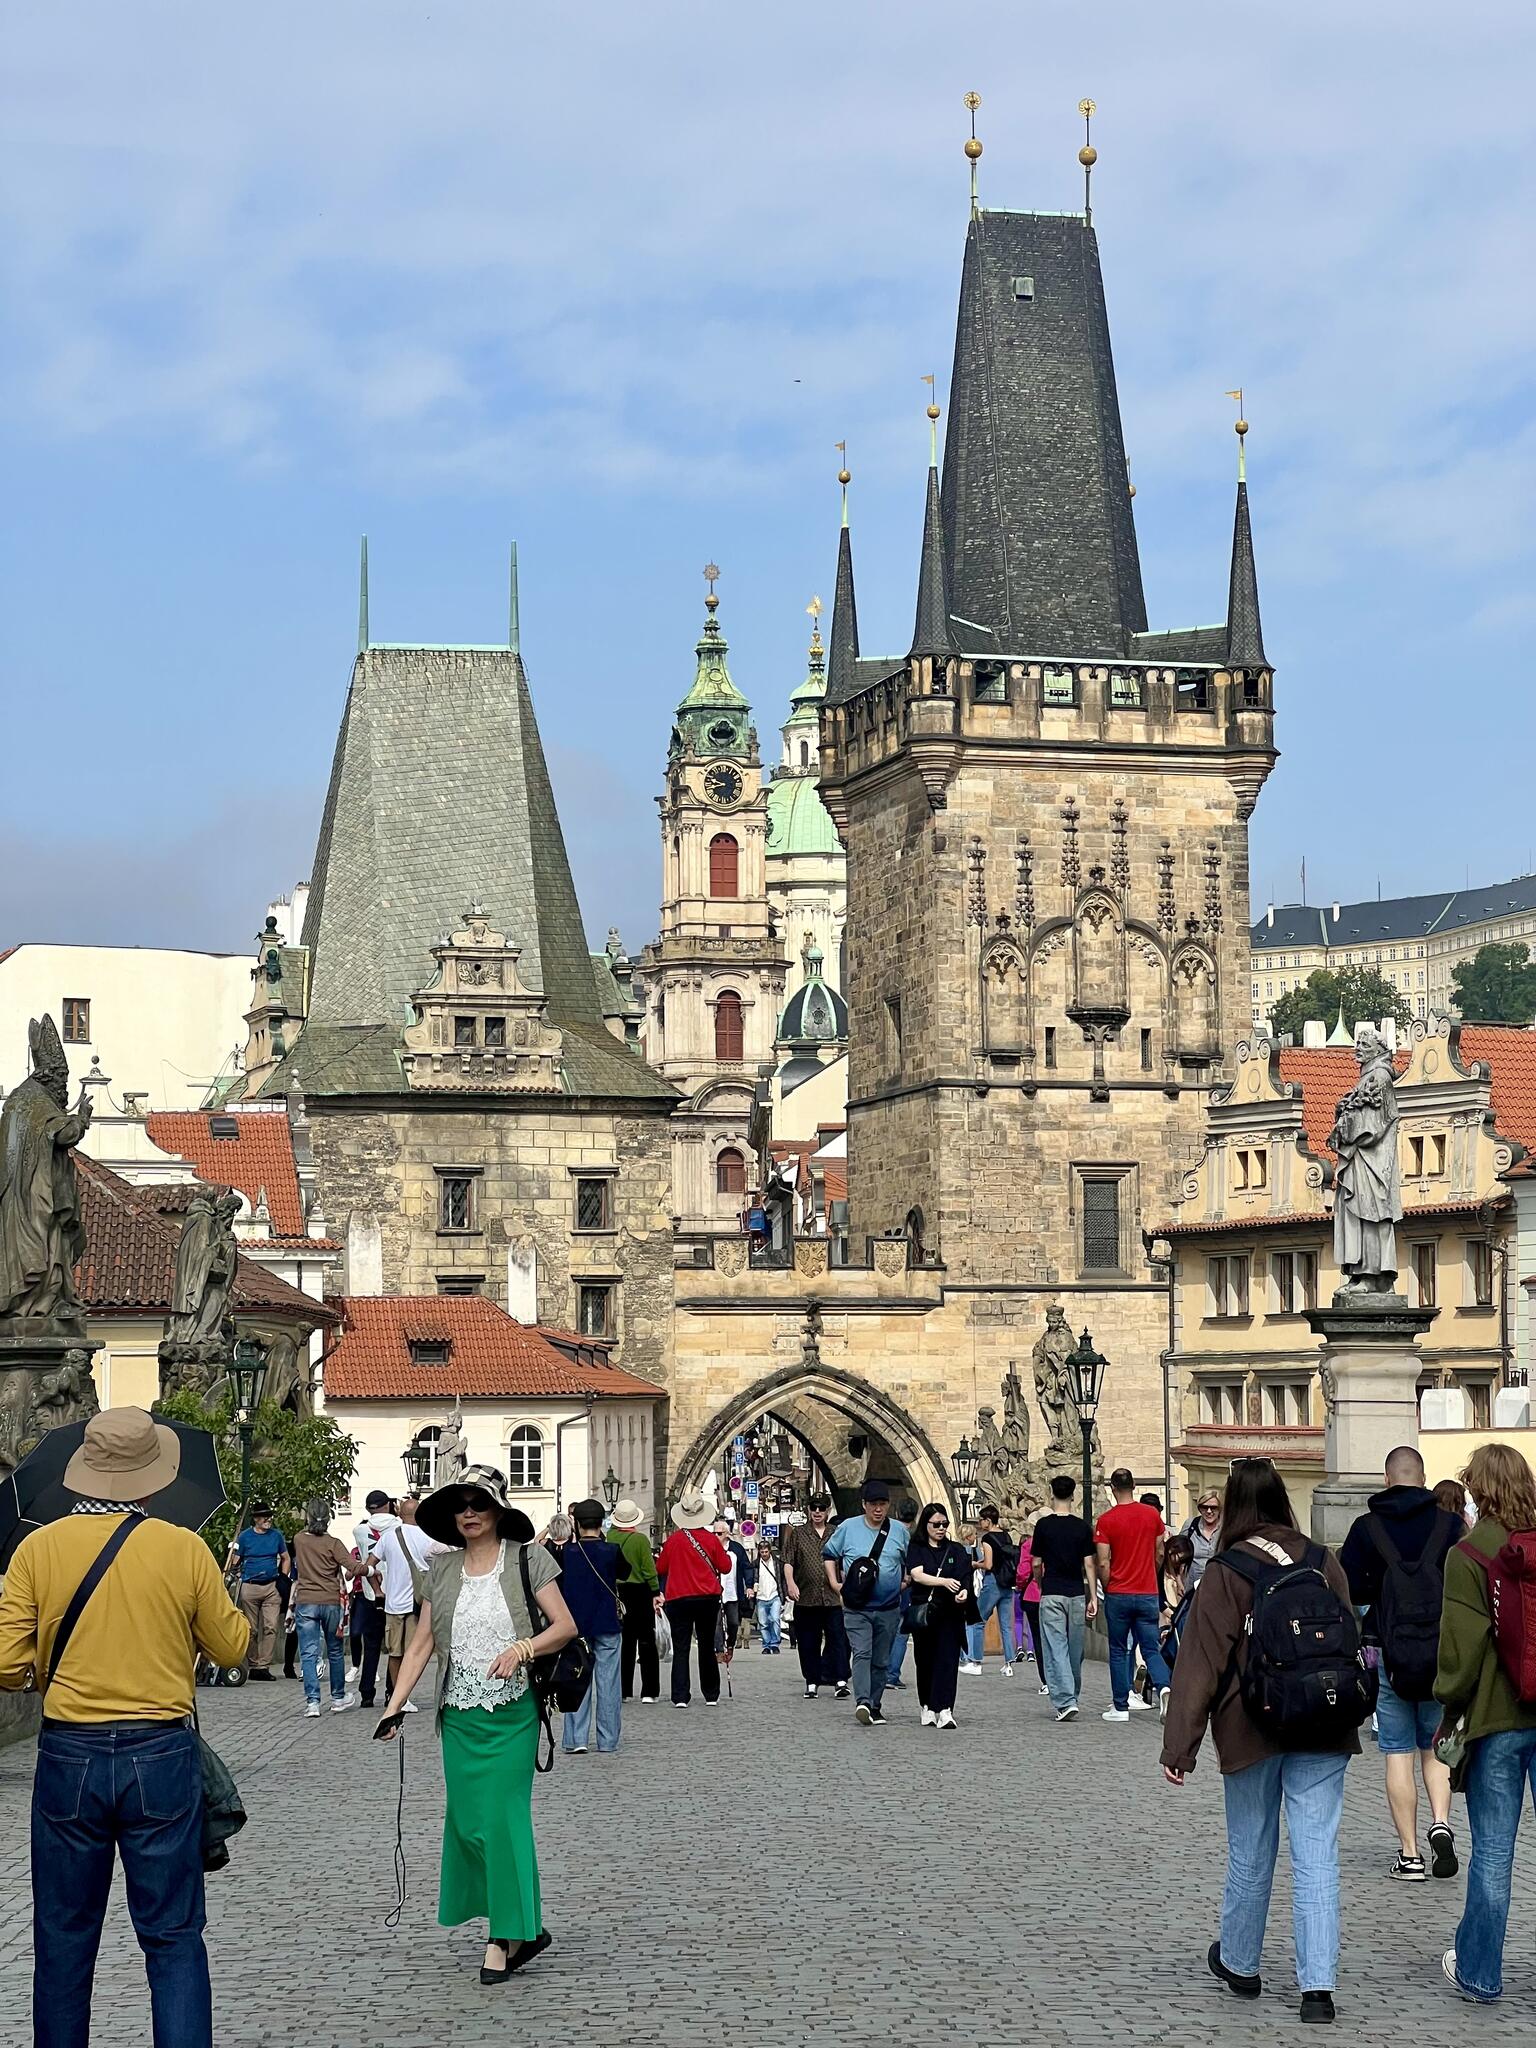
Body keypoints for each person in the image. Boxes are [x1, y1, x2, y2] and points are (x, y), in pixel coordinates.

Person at [0, 1407, 250, 2048]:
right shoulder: (182, 1547)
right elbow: (232, 1650)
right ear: (154, 1478)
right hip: (160, 1751)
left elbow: (4, 1662)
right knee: (171, 1936)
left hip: (69, 1753)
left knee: (62, 1934)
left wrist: (42, 1675)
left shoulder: (38, 1548)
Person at [1161, 1457, 1360, 2026]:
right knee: (1317, 1854)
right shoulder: (1322, 1561)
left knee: (1252, 1850)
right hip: (1323, 1725)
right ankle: (1317, 1988)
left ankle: (1242, 1964)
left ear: (1233, 1504)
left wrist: (1180, 1749)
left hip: (1252, 1726)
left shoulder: (1227, 1570)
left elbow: (1198, 1666)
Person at [378, 1465, 577, 1984]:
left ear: (497, 1511)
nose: (469, 1513)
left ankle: (503, 1935)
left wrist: (522, 1647)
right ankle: (524, 1929)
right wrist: (394, 1704)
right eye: (460, 1505)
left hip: (512, 1715)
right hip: (461, 1716)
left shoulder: (529, 1558)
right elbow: (422, 1642)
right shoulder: (442, 1571)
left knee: (502, 1820)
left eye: (479, 1504)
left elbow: (565, 1626)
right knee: (468, 1826)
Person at [1435, 1443, 1536, 2004]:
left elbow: (1461, 1652)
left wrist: (1447, 1701)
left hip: (1497, 1721)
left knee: (1495, 1853)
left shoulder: (1470, 1554)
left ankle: (1479, 1974)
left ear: (1477, 1489)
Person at [1340, 1445, 1463, 1881]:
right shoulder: (1449, 1526)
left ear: (1387, 1479)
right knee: (1434, 1748)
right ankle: (1442, 1823)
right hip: (1439, 1657)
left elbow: (1351, 1591)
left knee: (1396, 1753)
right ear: (1424, 1478)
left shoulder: (1366, 1527)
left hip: (1387, 1654)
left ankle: (1409, 1856)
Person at [823, 1478, 910, 1726]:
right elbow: (829, 1555)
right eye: (873, 1504)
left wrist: (904, 1582)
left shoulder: (899, 1532)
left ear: (888, 1505)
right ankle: (862, 1701)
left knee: (881, 1660)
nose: (878, 1509)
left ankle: (874, 1704)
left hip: (889, 1607)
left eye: (882, 1504)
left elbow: (909, 1564)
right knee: (862, 1652)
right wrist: (834, 1583)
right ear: (864, 1505)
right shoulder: (848, 1528)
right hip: (857, 1607)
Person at [1095, 1467, 1169, 1722]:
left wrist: (1108, 1585)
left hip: (1119, 1592)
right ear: (1134, 1486)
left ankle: (1120, 1706)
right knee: (1151, 1648)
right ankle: (1164, 1687)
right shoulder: (1151, 1515)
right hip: (1148, 1590)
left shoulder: (1106, 1520)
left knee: (1118, 1649)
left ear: (1113, 1488)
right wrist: (1151, 1571)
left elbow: (1103, 1562)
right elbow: (1160, 1552)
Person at [556, 1500, 623, 1754]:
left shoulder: (567, 1554)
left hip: (575, 1626)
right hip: (606, 1622)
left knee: (576, 1680)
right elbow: (625, 1573)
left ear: (577, 1524)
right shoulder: (612, 1550)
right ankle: (607, 1740)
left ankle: (576, 1739)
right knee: (608, 1684)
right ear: (600, 1523)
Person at [1031, 1475, 1100, 1720]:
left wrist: (1039, 1582)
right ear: (1073, 1495)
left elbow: (1036, 1563)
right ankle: (1073, 1694)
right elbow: (1090, 1564)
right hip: (1076, 1593)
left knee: (1055, 1647)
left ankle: (1065, 1700)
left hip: (1052, 1591)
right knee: (1075, 1648)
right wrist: (1093, 1595)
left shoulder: (1043, 1526)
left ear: (1052, 1493)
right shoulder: (1082, 1527)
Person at [654, 1492, 730, 1707]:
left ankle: (680, 1696)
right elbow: (725, 1566)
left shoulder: (673, 1541)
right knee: (707, 1646)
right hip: (707, 1597)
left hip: (679, 1598)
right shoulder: (711, 1540)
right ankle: (711, 1694)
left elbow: (661, 1568)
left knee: (681, 1648)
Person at [904, 1502, 971, 1728]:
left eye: (944, 1524)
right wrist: (944, 1581)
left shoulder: (956, 1550)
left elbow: (966, 1577)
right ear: (926, 1524)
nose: (941, 1528)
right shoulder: (917, 1548)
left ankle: (945, 1708)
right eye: (936, 1524)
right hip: (926, 1612)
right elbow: (917, 1575)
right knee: (925, 1661)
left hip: (950, 1614)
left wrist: (963, 1592)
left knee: (948, 1661)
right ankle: (927, 1705)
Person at [291, 1498, 356, 1718]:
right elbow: (351, 1565)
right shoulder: (334, 1543)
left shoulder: (299, 1540)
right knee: (335, 1651)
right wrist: (371, 1570)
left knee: (308, 1654)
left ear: (308, 1517)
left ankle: (313, 1703)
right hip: (330, 1602)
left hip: (306, 1601)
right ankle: (338, 1698)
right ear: (329, 1518)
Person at [380, 1492, 443, 1712]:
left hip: (393, 1604)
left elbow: (371, 1562)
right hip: (418, 1602)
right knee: (413, 1652)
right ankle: (404, 1696)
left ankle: (397, 1696)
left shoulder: (388, 1536)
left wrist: (377, 1588)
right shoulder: (428, 1537)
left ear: (400, 1513)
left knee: (394, 1653)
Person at [781, 1496, 850, 1699]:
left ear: (828, 1511)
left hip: (832, 1598)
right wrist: (790, 1583)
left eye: (821, 1508)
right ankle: (812, 1681)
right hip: (806, 1597)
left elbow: (845, 1559)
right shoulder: (799, 1534)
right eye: (814, 1508)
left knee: (837, 1639)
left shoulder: (836, 1533)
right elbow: (788, 1561)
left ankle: (840, 1680)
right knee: (808, 1642)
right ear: (808, 1510)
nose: (817, 1512)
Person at [605, 1497, 662, 1702]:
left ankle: (623, 1689)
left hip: (617, 1592)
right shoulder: (640, 1540)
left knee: (625, 1643)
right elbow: (649, 1569)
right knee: (646, 1641)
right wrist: (656, 1592)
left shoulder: (609, 1538)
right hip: (640, 1592)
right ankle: (649, 1691)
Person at [225, 1500, 288, 1679]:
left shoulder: (276, 1536)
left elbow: (285, 1557)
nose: (268, 1519)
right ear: (256, 1519)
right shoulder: (245, 1537)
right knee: (251, 1629)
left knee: (271, 1627)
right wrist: (232, 1563)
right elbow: (235, 1560)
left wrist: (283, 1578)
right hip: (250, 1586)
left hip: (271, 1586)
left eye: (269, 1516)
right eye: (264, 1516)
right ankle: (253, 1664)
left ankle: (263, 1666)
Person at [347, 1489, 393, 1707]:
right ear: (388, 1505)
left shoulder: (359, 1530)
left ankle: (366, 1693)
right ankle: (392, 1693)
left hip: (368, 1594)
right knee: (396, 1648)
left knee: (371, 1646)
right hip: (395, 1594)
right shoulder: (399, 1528)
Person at [962, 1504, 1018, 1677]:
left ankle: (975, 1661)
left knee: (977, 1620)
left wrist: (974, 1564)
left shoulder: (987, 1539)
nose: (980, 1523)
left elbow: (988, 1564)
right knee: (1006, 1625)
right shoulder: (1006, 1536)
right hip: (1007, 1583)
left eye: (981, 1520)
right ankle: (1009, 1664)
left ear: (987, 1520)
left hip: (993, 1582)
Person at [886, 1499, 919, 1689]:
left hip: (887, 1587)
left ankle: (881, 1672)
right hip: (907, 1590)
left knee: (885, 1632)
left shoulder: (889, 1533)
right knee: (900, 1634)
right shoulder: (915, 1537)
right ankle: (891, 1674)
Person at [714, 1516, 753, 1652]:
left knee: (733, 1622)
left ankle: (730, 1644)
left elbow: (747, 1567)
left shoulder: (736, 1549)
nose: (716, 1536)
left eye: (719, 1533)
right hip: (715, 1593)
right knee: (716, 1623)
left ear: (726, 1533)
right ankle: (719, 1650)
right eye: (714, 1533)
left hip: (732, 1592)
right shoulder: (710, 1548)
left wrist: (749, 1586)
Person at [1014, 1530, 1046, 1695]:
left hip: (1033, 1594)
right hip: (1059, 1593)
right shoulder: (1060, 1538)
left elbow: (1023, 1571)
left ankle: (1046, 1680)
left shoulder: (1030, 1543)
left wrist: (1020, 1585)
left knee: (1039, 1639)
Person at [1183, 1490, 1224, 1589]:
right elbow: (1180, 1554)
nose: (1209, 1511)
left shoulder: (1226, 1528)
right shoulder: (1190, 1525)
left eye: (1213, 1507)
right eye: (1204, 1507)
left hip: (1219, 1586)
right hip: (1192, 1588)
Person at [754, 1539, 783, 1653]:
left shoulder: (777, 1563)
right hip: (761, 1596)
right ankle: (766, 1645)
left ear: (770, 1551)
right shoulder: (756, 1564)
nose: (764, 1554)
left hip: (774, 1595)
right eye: (762, 1552)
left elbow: (782, 1579)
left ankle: (774, 1644)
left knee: (775, 1619)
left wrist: (784, 1594)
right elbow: (752, 1578)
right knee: (763, 1622)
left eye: (766, 1552)